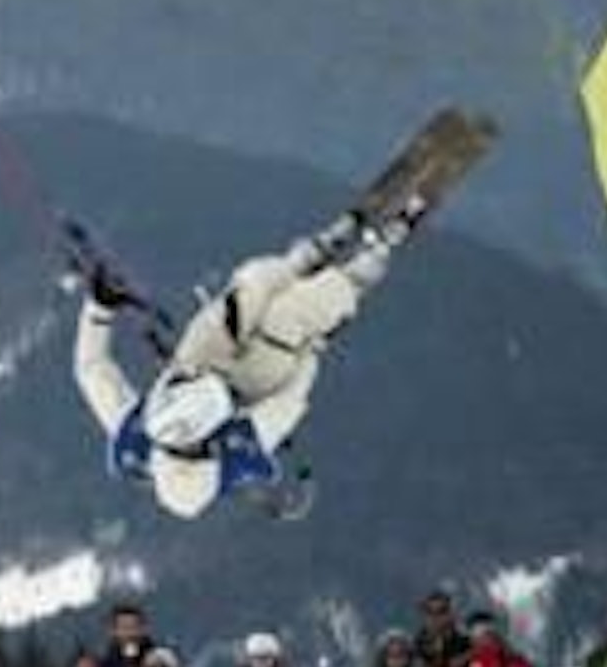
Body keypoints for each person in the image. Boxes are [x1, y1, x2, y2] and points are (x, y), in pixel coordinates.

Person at [73, 202, 425, 519]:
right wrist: (311, 350)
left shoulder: (138, 437)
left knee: (253, 288)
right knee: (292, 315)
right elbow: (290, 402)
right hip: (253, 386)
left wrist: (99, 307)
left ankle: (308, 257)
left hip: (198, 360)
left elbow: (92, 369)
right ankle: (369, 260)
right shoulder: (240, 450)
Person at [101, 603, 156, 667]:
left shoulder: (159, 662)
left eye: (134, 627)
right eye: (124, 628)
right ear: (113, 631)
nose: (130, 633)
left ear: (143, 629)